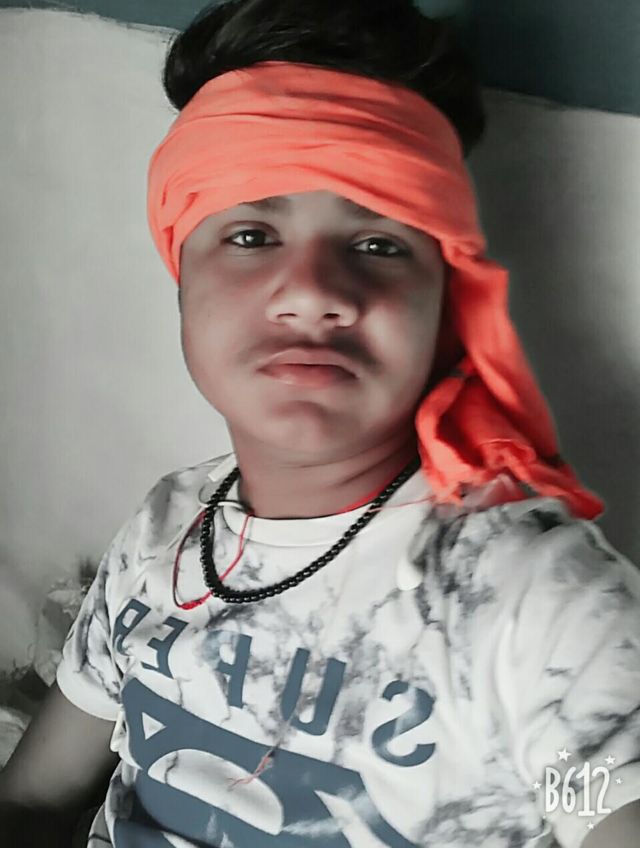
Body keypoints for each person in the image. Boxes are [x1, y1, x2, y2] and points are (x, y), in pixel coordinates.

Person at [1, 0, 639, 846]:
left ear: (447, 306)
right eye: (251, 235)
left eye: (377, 244)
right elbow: (34, 800)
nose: (312, 293)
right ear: (183, 281)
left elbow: (598, 803)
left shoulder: (537, 609)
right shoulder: (165, 532)